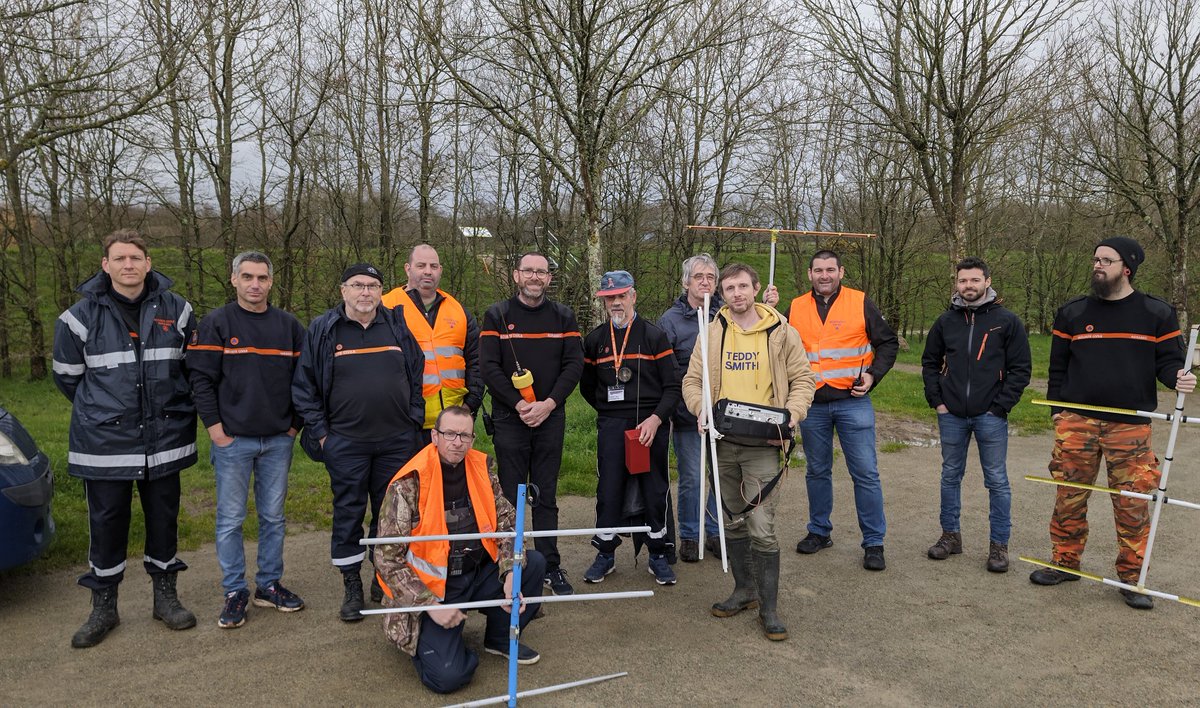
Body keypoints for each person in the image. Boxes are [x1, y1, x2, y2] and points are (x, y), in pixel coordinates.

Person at [1031, 237, 1195, 609]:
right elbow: (1058, 368)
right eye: (1095, 259)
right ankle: (1065, 562)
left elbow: (1168, 363)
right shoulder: (1072, 313)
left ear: (1127, 267)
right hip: (1077, 423)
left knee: (1132, 503)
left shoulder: (1156, 312)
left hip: (1130, 426)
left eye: (1106, 260)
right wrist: (1057, 411)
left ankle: (1132, 577)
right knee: (1069, 497)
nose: (1097, 265)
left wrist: (1180, 378)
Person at [52, 229, 198, 648]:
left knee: (164, 522)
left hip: (165, 439)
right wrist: (106, 412)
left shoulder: (179, 310)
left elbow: (191, 371)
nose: (128, 265)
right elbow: (68, 380)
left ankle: (166, 598)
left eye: (136, 258)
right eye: (120, 258)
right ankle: (103, 607)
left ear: (149, 263)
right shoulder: (77, 318)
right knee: (107, 524)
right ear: (106, 265)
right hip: (104, 445)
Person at [682, 263, 815, 642]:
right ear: (721, 294)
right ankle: (745, 591)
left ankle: (770, 608)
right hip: (722, 442)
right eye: (729, 288)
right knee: (731, 522)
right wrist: (700, 407)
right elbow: (692, 381)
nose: (737, 293)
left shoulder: (782, 332)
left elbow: (803, 379)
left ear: (756, 288)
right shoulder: (709, 334)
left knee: (761, 526)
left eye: (743, 286)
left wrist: (793, 414)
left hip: (764, 445)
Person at [375, 406, 545, 694]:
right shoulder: (408, 483)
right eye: (450, 434)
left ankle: (500, 638)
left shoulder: (481, 469)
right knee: (448, 678)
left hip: (476, 573)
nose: (457, 442)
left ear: (473, 439)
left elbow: (507, 524)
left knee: (533, 564)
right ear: (434, 436)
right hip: (434, 591)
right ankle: (444, 646)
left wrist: (508, 573)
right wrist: (431, 606)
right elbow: (387, 559)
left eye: (465, 435)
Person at [292, 263, 424, 621]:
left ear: (381, 291)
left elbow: (417, 372)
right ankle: (352, 586)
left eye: (373, 286)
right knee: (348, 513)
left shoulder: (396, 325)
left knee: (390, 516)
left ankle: (384, 579)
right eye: (358, 285)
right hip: (345, 443)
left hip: (396, 442)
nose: (366, 292)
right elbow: (304, 388)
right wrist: (322, 435)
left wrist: (413, 419)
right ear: (343, 290)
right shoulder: (324, 329)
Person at [188, 252, 307, 628]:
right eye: (247, 277)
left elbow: (306, 381)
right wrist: (216, 431)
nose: (255, 284)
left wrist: (293, 427)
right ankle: (235, 589)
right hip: (233, 440)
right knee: (230, 519)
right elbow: (200, 380)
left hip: (277, 439)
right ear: (234, 279)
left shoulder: (289, 326)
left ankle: (269, 584)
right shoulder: (217, 323)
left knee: (273, 516)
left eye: (262, 278)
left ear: (272, 282)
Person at [479, 252, 584, 596]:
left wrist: (549, 404)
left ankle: (550, 565)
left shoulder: (564, 317)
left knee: (546, 495)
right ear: (516, 275)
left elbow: (573, 366)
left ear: (549, 278)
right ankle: (510, 568)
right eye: (529, 271)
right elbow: (489, 368)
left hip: (550, 418)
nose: (535, 277)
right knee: (510, 497)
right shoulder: (497, 315)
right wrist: (521, 403)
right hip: (511, 419)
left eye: (542, 272)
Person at [787, 249, 898, 571]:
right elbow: (777, 344)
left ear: (841, 272)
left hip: (853, 402)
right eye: (819, 270)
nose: (825, 275)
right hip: (813, 405)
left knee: (865, 473)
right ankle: (819, 532)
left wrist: (873, 375)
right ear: (809, 274)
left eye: (830, 270)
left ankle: (874, 543)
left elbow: (888, 343)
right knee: (817, 471)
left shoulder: (859, 301)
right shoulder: (794, 307)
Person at [921, 257, 1031, 573]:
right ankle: (950, 537)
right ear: (956, 283)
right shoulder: (945, 322)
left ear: (987, 281)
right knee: (949, 475)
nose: (968, 286)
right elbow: (929, 363)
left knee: (996, 480)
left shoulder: (1007, 321)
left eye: (974, 280)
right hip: (951, 414)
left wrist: (1001, 406)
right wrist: (938, 401)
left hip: (990, 415)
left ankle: (999, 546)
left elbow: (1021, 369)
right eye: (963, 281)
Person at [580, 271, 681, 585]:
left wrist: (655, 419)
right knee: (608, 491)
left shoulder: (654, 335)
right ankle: (606, 553)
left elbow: (673, 386)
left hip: (650, 426)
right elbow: (586, 387)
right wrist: (610, 415)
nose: (616, 303)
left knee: (654, 490)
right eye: (610, 298)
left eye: (622, 296)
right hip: (612, 426)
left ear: (633, 296)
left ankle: (657, 554)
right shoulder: (596, 340)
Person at [381, 244, 483, 445]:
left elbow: (476, 362)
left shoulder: (458, 311)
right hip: (404, 423)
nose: (428, 271)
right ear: (407, 269)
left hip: (452, 423)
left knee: (450, 477)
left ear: (440, 270)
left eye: (433, 266)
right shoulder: (386, 307)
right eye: (421, 265)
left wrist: (470, 406)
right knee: (410, 477)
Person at [659, 254, 722, 563]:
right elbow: (666, 372)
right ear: (686, 282)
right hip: (688, 415)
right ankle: (690, 535)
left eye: (710, 276)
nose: (705, 281)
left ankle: (715, 531)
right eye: (699, 276)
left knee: (722, 475)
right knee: (692, 478)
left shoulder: (727, 315)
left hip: (725, 413)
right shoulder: (670, 320)